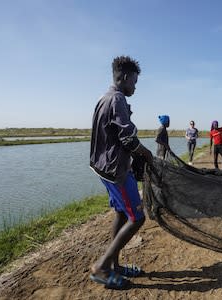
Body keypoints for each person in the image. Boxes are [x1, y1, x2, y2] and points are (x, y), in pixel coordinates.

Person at [89, 56, 153, 289]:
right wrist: (146, 154)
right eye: (134, 82)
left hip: (104, 166)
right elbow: (127, 138)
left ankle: (115, 266)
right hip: (116, 170)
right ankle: (102, 267)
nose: (135, 86)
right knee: (137, 217)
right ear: (125, 78)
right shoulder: (116, 99)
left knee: (121, 214)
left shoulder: (104, 98)